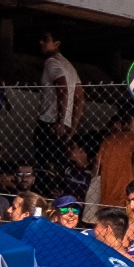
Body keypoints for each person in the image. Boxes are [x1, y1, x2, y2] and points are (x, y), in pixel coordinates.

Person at [35, 31, 83, 174]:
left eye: (45, 39)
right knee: (58, 165)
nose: (41, 42)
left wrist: (60, 120)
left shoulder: (52, 62)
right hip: (63, 125)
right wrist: (72, 126)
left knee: (46, 166)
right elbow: (80, 97)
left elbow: (62, 89)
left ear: (56, 43)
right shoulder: (69, 66)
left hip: (50, 122)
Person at [95, 109, 134, 213]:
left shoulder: (108, 140)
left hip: (106, 198)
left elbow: (97, 166)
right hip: (127, 198)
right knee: (130, 227)